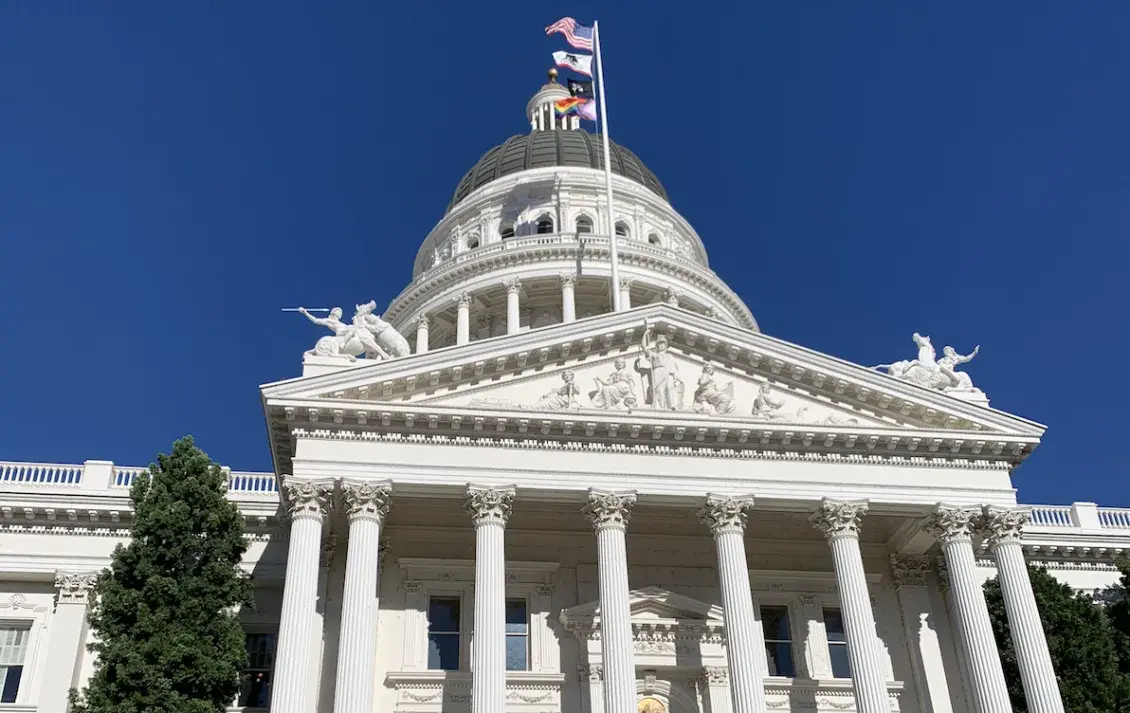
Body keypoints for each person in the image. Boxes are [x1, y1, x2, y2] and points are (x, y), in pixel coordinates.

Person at [637, 327, 680, 410]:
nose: (661, 345)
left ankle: (671, 405)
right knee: (659, 390)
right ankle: (660, 407)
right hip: (657, 372)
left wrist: (674, 376)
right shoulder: (654, 355)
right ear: (657, 346)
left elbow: (674, 368)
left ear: (666, 346)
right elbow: (644, 347)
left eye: (663, 343)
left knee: (669, 387)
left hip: (668, 373)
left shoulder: (670, 356)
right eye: (659, 344)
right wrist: (646, 334)